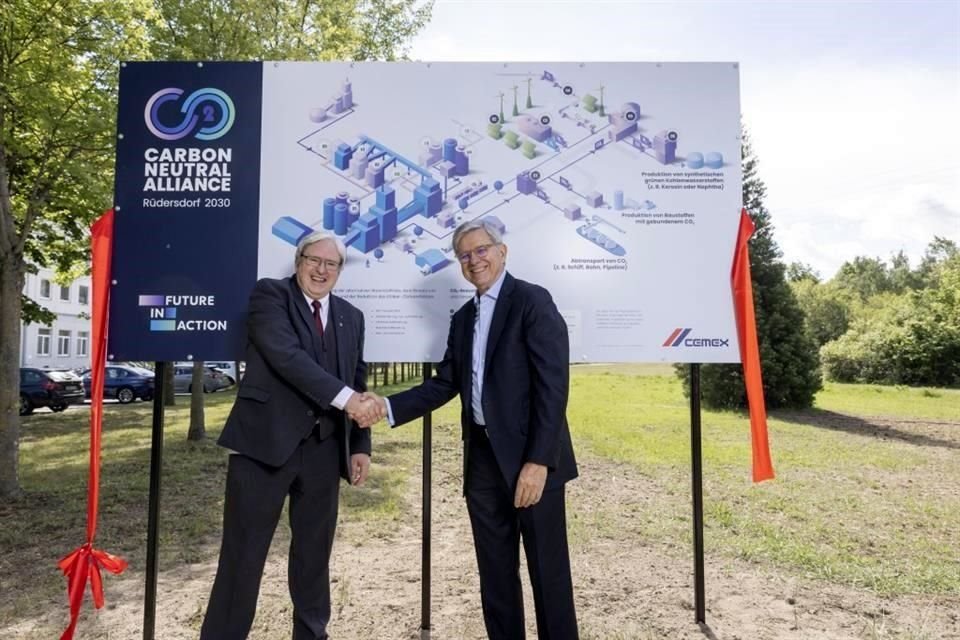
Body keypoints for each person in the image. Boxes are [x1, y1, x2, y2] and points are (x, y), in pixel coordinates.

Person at [363, 219, 579, 640]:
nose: (474, 260)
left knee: (548, 574)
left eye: (481, 250)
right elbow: (446, 383)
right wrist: (386, 406)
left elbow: (553, 388)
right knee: (495, 575)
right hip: (481, 461)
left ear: (502, 252)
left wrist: (538, 462)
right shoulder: (464, 317)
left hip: (529, 459)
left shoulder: (532, 301)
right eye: (465, 255)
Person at [201, 230, 384, 640]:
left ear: (339, 270)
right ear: (299, 261)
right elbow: (287, 358)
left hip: (324, 452)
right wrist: (349, 400)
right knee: (242, 559)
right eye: (313, 260)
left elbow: (357, 377)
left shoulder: (352, 317)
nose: (321, 270)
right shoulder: (270, 296)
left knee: (313, 561)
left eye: (330, 263)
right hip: (263, 448)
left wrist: (360, 446)